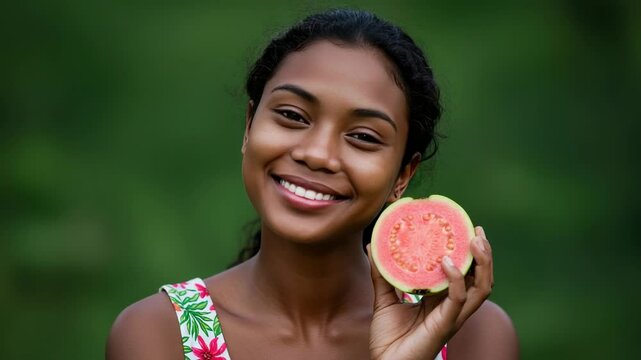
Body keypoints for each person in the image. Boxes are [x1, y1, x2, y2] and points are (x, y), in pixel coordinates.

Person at [106, 8, 518, 360]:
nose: (317, 154)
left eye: (363, 137)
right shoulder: (157, 335)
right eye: (292, 115)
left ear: (403, 176)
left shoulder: (472, 337)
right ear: (250, 126)